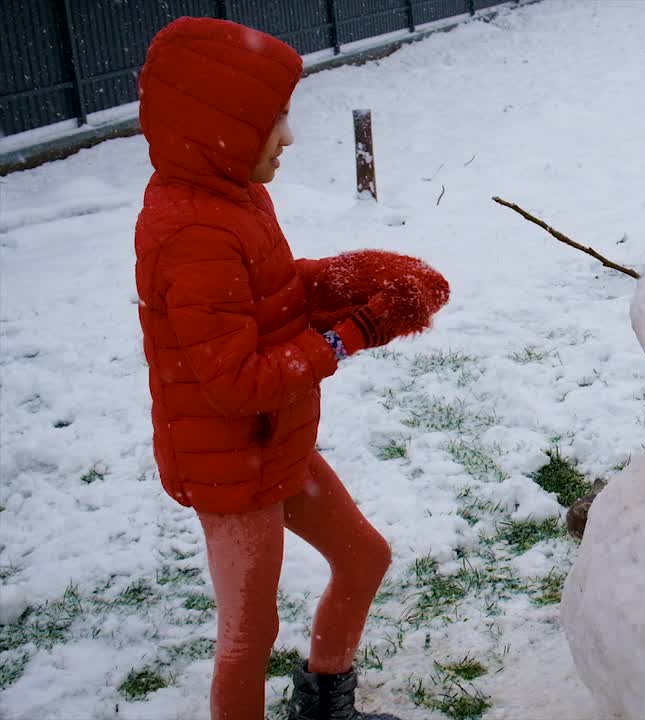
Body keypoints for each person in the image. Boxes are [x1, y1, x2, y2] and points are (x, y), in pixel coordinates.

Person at [134, 16, 447, 720]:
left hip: (277, 446)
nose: (289, 137)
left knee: (363, 557)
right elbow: (236, 381)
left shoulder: (235, 197)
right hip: (232, 470)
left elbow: (271, 293)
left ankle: (323, 704)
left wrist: (356, 275)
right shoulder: (192, 233)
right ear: (218, 130)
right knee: (249, 636)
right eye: (273, 122)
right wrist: (354, 333)